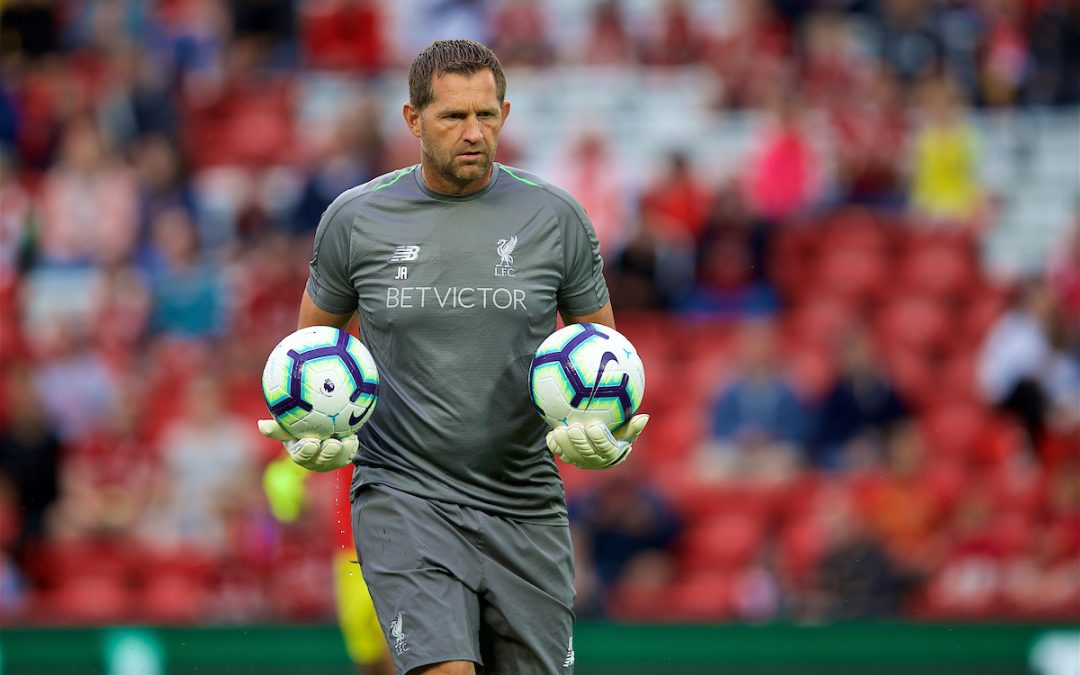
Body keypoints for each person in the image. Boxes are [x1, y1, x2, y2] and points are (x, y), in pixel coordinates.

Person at [257, 40, 648, 675]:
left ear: (506, 113)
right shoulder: (355, 220)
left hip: (525, 503)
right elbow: (310, 355)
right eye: (453, 117)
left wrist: (610, 435)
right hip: (403, 497)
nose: (474, 132)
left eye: (487, 116)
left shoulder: (557, 218)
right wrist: (309, 436)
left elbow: (608, 361)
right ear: (413, 120)